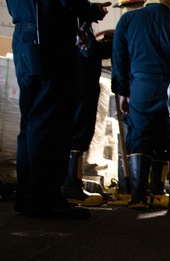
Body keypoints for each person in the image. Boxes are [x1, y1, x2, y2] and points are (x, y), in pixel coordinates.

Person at [6, 0, 110, 220]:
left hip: (24, 39)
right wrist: (91, 10)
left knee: (30, 123)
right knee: (51, 123)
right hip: (51, 44)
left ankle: (27, 195)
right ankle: (46, 199)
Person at [111, 0, 170, 210]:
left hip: (142, 87)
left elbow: (119, 59)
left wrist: (122, 92)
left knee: (140, 137)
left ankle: (138, 195)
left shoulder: (128, 19)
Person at [63, 23, 112, 207]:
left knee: (75, 131)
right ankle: (72, 187)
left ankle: (68, 184)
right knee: (79, 132)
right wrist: (111, 46)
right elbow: (88, 49)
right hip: (83, 83)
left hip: (76, 79)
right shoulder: (79, 19)